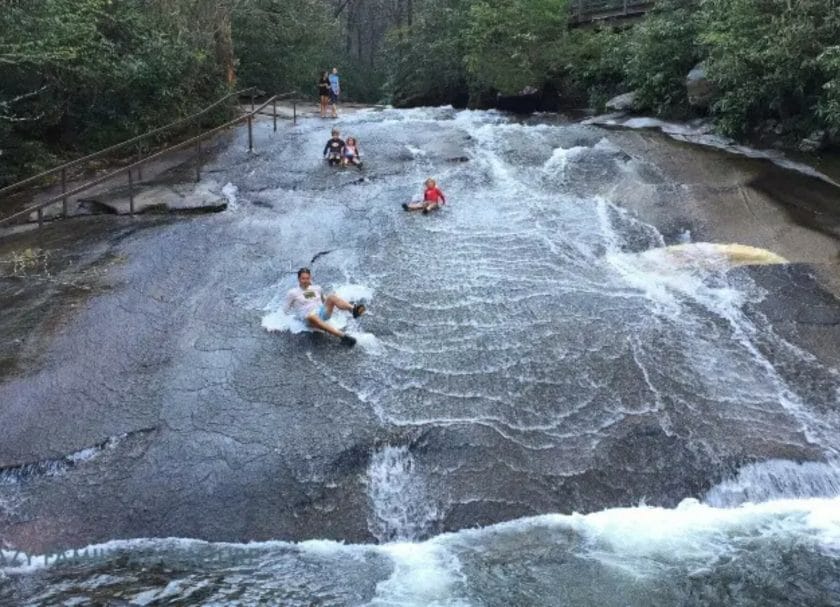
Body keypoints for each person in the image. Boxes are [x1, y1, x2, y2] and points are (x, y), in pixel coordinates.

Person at [284, 267, 366, 347]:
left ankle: (353, 310)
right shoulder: (292, 293)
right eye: (303, 279)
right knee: (311, 316)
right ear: (299, 279)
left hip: (321, 313)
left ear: (310, 278)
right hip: (308, 318)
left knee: (331, 297)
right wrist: (296, 316)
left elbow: (325, 301)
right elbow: (285, 310)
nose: (305, 281)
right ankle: (343, 337)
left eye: (307, 278)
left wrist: (336, 302)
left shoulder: (317, 288)